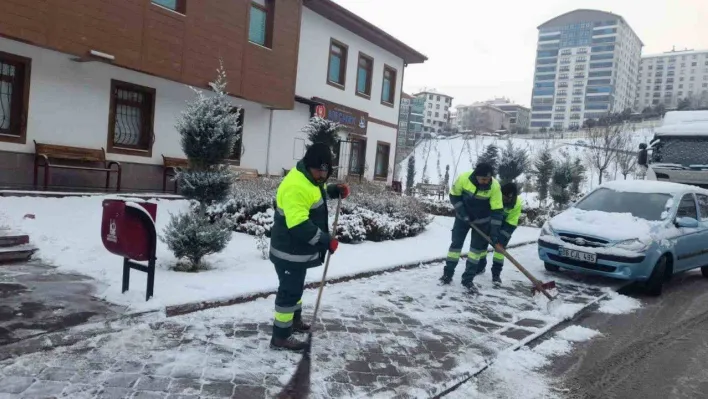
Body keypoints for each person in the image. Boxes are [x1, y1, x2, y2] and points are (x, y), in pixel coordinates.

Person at [269, 143, 350, 352]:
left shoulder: (310, 178)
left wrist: (334, 191)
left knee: (295, 288)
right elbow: (298, 225)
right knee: (288, 292)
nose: (322, 176)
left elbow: (317, 193)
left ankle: (293, 322)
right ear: (309, 165)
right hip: (288, 250)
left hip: (297, 251)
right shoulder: (296, 185)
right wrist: (325, 240)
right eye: (319, 171)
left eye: (326, 172)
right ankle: (280, 336)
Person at [439, 162, 503, 292]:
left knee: (475, 252)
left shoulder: (494, 186)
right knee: (455, 246)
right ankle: (447, 274)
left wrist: (495, 233)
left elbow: (497, 211)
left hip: (482, 221)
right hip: (463, 219)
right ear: (476, 176)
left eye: (488, 179)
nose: (485, 182)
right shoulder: (464, 178)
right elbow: (454, 196)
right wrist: (463, 213)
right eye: (483, 179)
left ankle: (468, 280)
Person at [476, 182, 523, 286]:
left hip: (505, 226)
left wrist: (501, 237)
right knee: (482, 245)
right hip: (490, 223)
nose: (505, 200)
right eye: (504, 197)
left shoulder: (516, 204)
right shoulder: (494, 196)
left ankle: (496, 274)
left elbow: (511, 223)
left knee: (499, 250)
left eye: (508, 198)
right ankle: (480, 266)